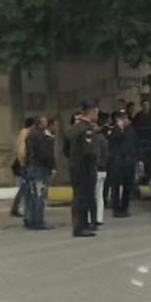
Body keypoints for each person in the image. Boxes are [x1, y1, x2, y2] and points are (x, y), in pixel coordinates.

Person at [65, 101, 99, 237]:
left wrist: (73, 159)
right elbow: (89, 152)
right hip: (85, 168)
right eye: (96, 113)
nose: (97, 115)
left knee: (78, 196)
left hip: (75, 166)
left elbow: (65, 148)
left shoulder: (73, 129)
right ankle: (80, 227)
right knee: (83, 197)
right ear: (91, 113)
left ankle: (81, 225)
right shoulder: (87, 130)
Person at [23, 116, 55, 230]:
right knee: (40, 195)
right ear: (42, 124)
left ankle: (29, 218)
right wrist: (52, 167)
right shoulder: (42, 136)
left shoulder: (30, 135)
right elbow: (45, 154)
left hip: (31, 167)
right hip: (40, 168)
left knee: (31, 195)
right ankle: (38, 221)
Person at [107, 110, 137, 217]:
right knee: (116, 186)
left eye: (127, 119)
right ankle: (116, 209)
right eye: (123, 119)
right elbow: (112, 141)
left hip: (129, 162)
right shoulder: (114, 131)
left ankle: (125, 208)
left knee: (127, 186)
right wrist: (119, 129)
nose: (126, 121)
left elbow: (134, 145)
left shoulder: (131, 130)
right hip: (117, 162)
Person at [10, 117, 35, 219]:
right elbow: (22, 149)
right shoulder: (25, 133)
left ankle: (18, 207)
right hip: (24, 164)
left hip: (24, 163)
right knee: (24, 187)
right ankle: (17, 208)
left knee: (24, 187)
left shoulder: (25, 133)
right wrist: (23, 162)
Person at [132, 97, 151, 183]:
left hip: (150, 143)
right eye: (143, 105)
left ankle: (149, 178)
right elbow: (134, 128)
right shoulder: (138, 116)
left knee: (150, 163)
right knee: (141, 162)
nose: (145, 106)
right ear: (141, 106)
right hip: (141, 143)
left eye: (147, 105)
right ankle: (142, 180)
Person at [92, 114, 110, 229]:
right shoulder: (104, 139)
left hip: (96, 169)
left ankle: (91, 218)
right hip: (103, 170)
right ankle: (99, 217)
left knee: (93, 195)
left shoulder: (96, 139)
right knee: (99, 195)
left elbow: (96, 156)